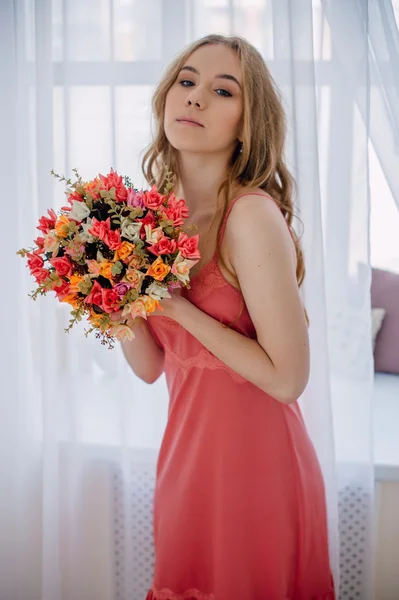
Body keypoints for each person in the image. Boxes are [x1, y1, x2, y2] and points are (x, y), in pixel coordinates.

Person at [120, 34, 336, 600]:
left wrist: (175, 306)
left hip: (258, 473)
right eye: (186, 82)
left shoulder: (252, 216)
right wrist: (105, 297)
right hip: (185, 467)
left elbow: (288, 379)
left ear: (246, 124)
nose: (194, 98)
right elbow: (150, 367)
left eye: (221, 91)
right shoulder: (153, 220)